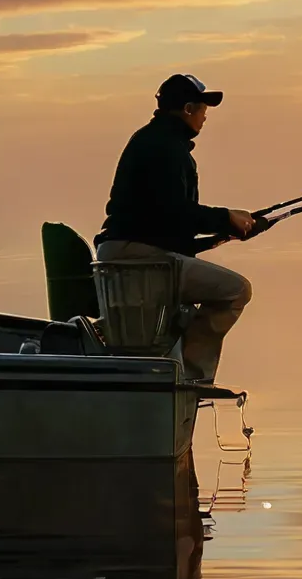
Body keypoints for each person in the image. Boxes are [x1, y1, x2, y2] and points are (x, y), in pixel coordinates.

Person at [95, 74, 256, 383]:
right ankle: (190, 378)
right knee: (236, 290)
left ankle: (178, 369)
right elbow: (175, 212)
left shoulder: (155, 140)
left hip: (134, 250)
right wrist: (226, 217)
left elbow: (163, 221)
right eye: (202, 107)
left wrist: (217, 237)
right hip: (137, 257)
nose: (205, 115)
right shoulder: (165, 148)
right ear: (186, 108)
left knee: (209, 291)